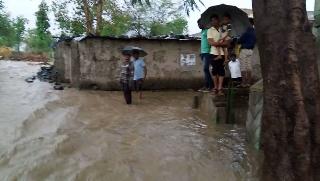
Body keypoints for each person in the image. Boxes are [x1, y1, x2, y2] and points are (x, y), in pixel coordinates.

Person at [207, 14, 225, 96]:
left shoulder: (223, 29)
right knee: (214, 71)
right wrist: (220, 43)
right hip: (213, 53)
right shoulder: (210, 30)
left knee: (221, 71)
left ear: (218, 20)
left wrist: (219, 44)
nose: (213, 21)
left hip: (223, 53)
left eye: (215, 20)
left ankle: (220, 88)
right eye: (212, 20)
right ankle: (215, 87)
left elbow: (228, 43)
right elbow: (210, 42)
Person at [238, 17, 256, 87]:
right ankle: (248, 82)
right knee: (248, 66)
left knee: (243, 66)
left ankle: (244, 83)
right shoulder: (255, 32)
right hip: (251, 50)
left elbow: (239, 40)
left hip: (244, 50)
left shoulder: (247, 32)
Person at [197, 20, 213, 92]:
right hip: (203, 53)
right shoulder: (202, 32)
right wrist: (201, 52)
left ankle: (210, 86)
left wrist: (210, 51)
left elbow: (210, 42)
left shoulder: (207, 31)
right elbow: (203, 43)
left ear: (203, 23)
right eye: (198, 24)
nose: (198, 25)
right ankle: (206, 86)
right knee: (205, 70)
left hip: (207, 53)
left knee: (206, 69)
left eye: (199, 24)